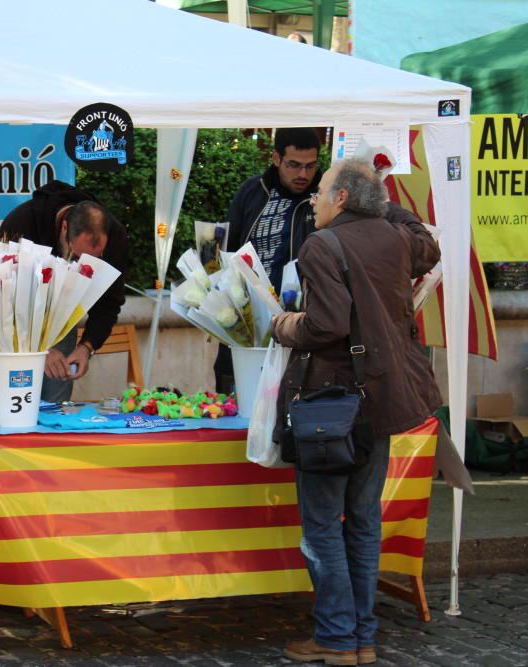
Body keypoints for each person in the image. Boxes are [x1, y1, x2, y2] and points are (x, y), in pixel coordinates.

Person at [272, 157, 441, 665]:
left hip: (331, 404)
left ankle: (337, 637)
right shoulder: (395, 238)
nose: (314, 198)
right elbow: (428, 242)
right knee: (363, 521)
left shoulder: (321, 245)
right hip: (381, 399)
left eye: (322, 189)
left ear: (341, 198)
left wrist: (282, 324)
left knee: (323, 525)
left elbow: (325, 325)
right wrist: (385, 203)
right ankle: (361, 638)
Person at [0, 180, 129, 403]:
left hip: (61, 322)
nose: (83, 266)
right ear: (64, 227)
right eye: (77, 257)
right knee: (11, 404)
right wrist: (38, 349)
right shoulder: (22, 223)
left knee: (55, 406)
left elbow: (109, 301)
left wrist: (87, 346)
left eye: (96, 260)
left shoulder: (116, 237)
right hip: (16, 328)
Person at [214, 127, 322, 393]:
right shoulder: (252, 191)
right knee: (235, 393)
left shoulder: (323, 198)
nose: (303, 174)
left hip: (299, 321)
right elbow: (228, 249)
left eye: (310, 166)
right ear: (276, 158)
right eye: (293, 165)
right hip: (246, 318)